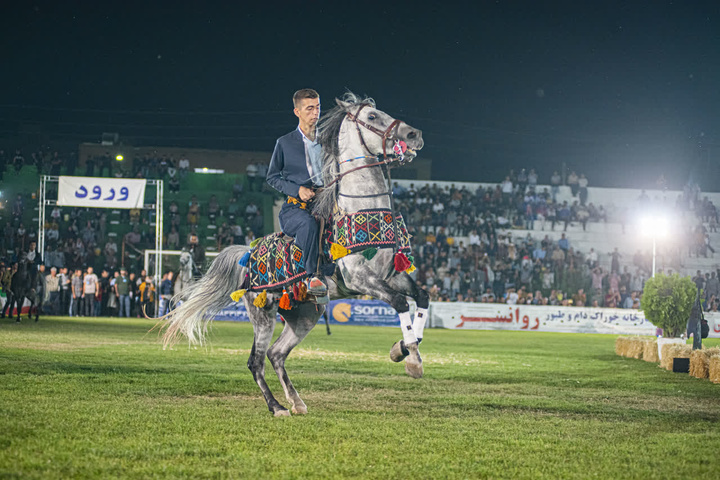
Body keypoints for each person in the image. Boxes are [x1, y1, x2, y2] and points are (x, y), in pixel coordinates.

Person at [266, 88, 327, 296]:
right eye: (309, 108)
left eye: (318, 107)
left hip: (327, 203)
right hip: (295, 209)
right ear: (297, 112)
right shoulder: (284, 143)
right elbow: (272, 177)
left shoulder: (328, 140)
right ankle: (307, 279)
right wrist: (297, 189)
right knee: (308, 224)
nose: (315, 113)